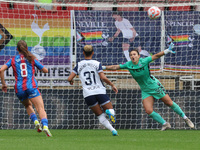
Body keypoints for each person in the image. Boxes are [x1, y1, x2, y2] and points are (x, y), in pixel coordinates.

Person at [102, 43, 194, 131]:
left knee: (169, 103)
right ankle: (165, 124)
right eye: (131, 55)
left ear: (138, 56)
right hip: (145, 90)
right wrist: (103, 68)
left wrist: (166, 51)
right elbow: (115, 67)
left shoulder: (144, 61)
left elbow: (156, 56)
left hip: (154, 85)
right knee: (148, 110)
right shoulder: (128, 65)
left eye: (134, 54)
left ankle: (185, 118)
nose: (132, 56)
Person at [0, 40, 52, 137]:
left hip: (19, 88)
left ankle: (36, 121)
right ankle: (45, 126)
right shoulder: (31, 58)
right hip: (31, 86)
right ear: (27, 48)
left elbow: (1, 70)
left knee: (28, 106)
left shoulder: (13, 59)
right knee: (40, 108)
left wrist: (4, 84)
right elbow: (45, 70)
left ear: (17, 49)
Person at [67, 45, 118, 136]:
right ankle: (110, 112)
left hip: (88, 94)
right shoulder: (97, 63)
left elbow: (69, 78)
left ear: (83, 53)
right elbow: (102, 77)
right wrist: (112, 84)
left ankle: (113, 130)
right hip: (100, 91)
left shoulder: (79, 64)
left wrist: (71, 81)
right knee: (110, 109)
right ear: (93, 52)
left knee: (100, 115)